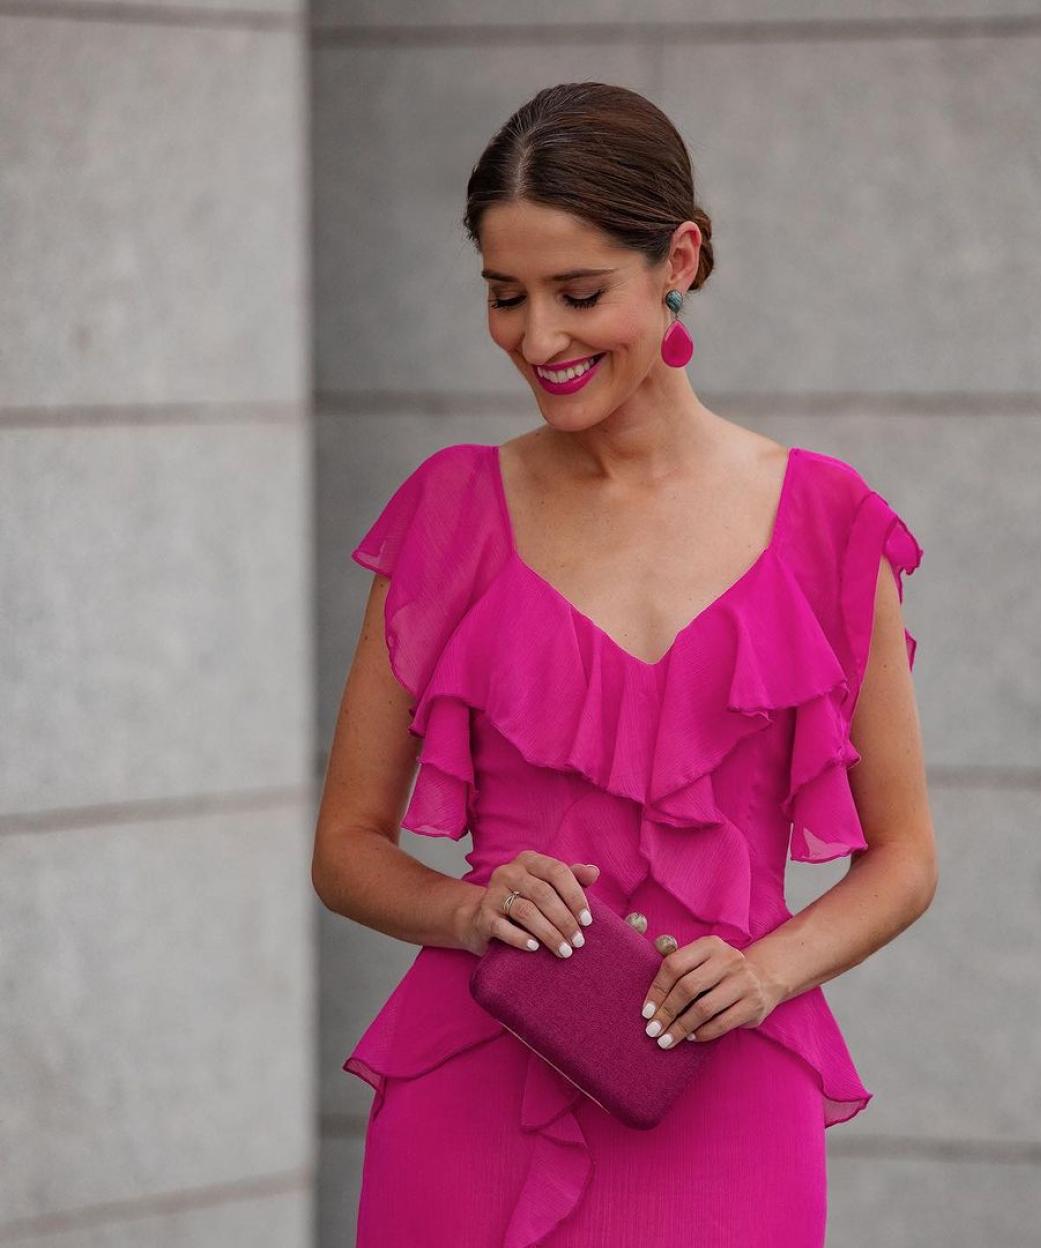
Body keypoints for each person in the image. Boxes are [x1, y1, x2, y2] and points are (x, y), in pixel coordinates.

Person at [312, 80, 938, 1248]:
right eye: (505, 297)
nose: (537, 339)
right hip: (472, 1082)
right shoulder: (450, 510)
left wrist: (767, 970)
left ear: (679, 259)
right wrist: (464, 907)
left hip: (730, 1082)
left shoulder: (830, 523)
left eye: (578, 293)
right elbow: (346, 847)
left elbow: (905, 858)